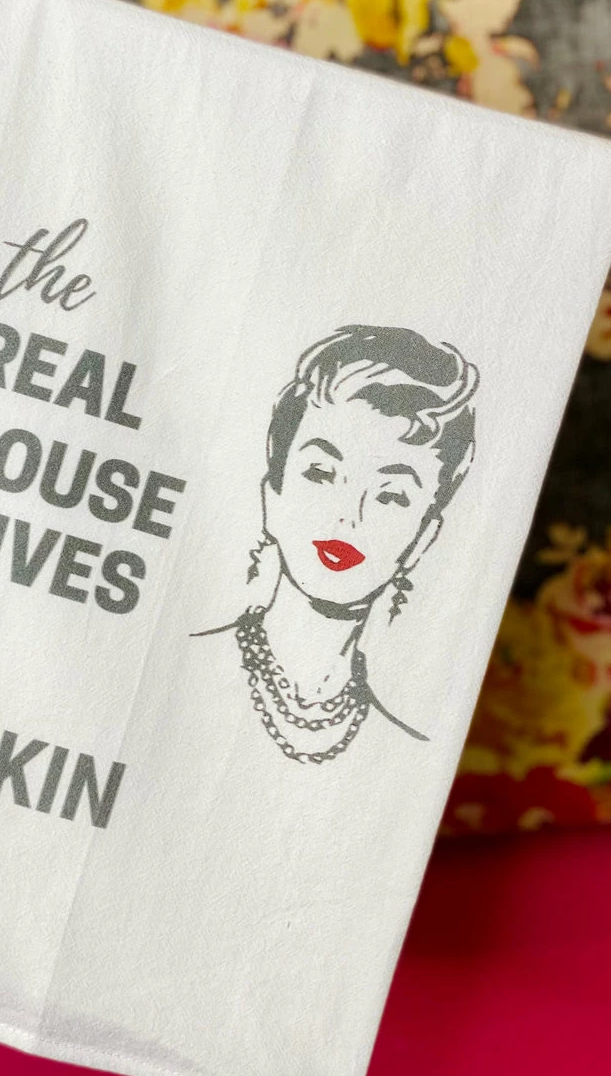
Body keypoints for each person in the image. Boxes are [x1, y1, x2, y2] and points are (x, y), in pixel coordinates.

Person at [194, 325, 479, 765]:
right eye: (321, 473)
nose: (349, 516)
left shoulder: (410, 759)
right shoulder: (181, 660)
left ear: (423, 536)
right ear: (273, 491)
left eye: (391, 496)